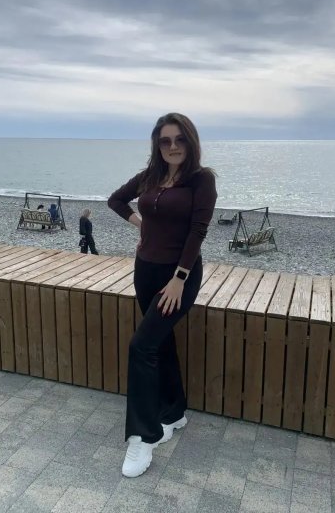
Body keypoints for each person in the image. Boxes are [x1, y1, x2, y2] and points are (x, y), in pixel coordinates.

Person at [108, 112, 217, 478]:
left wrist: (179, 279)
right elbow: (116, 200)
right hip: (146, 270)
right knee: (159, 342)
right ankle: (173, 412)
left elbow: (198, 231)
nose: (172, 146)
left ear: (190, 141)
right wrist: (141, 224)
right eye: (165, 140)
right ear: (158, 144)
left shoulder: (201, 180)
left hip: (178, 276)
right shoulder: (151, 176)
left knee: (141, 346)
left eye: (179, 139)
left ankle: (144, 436)